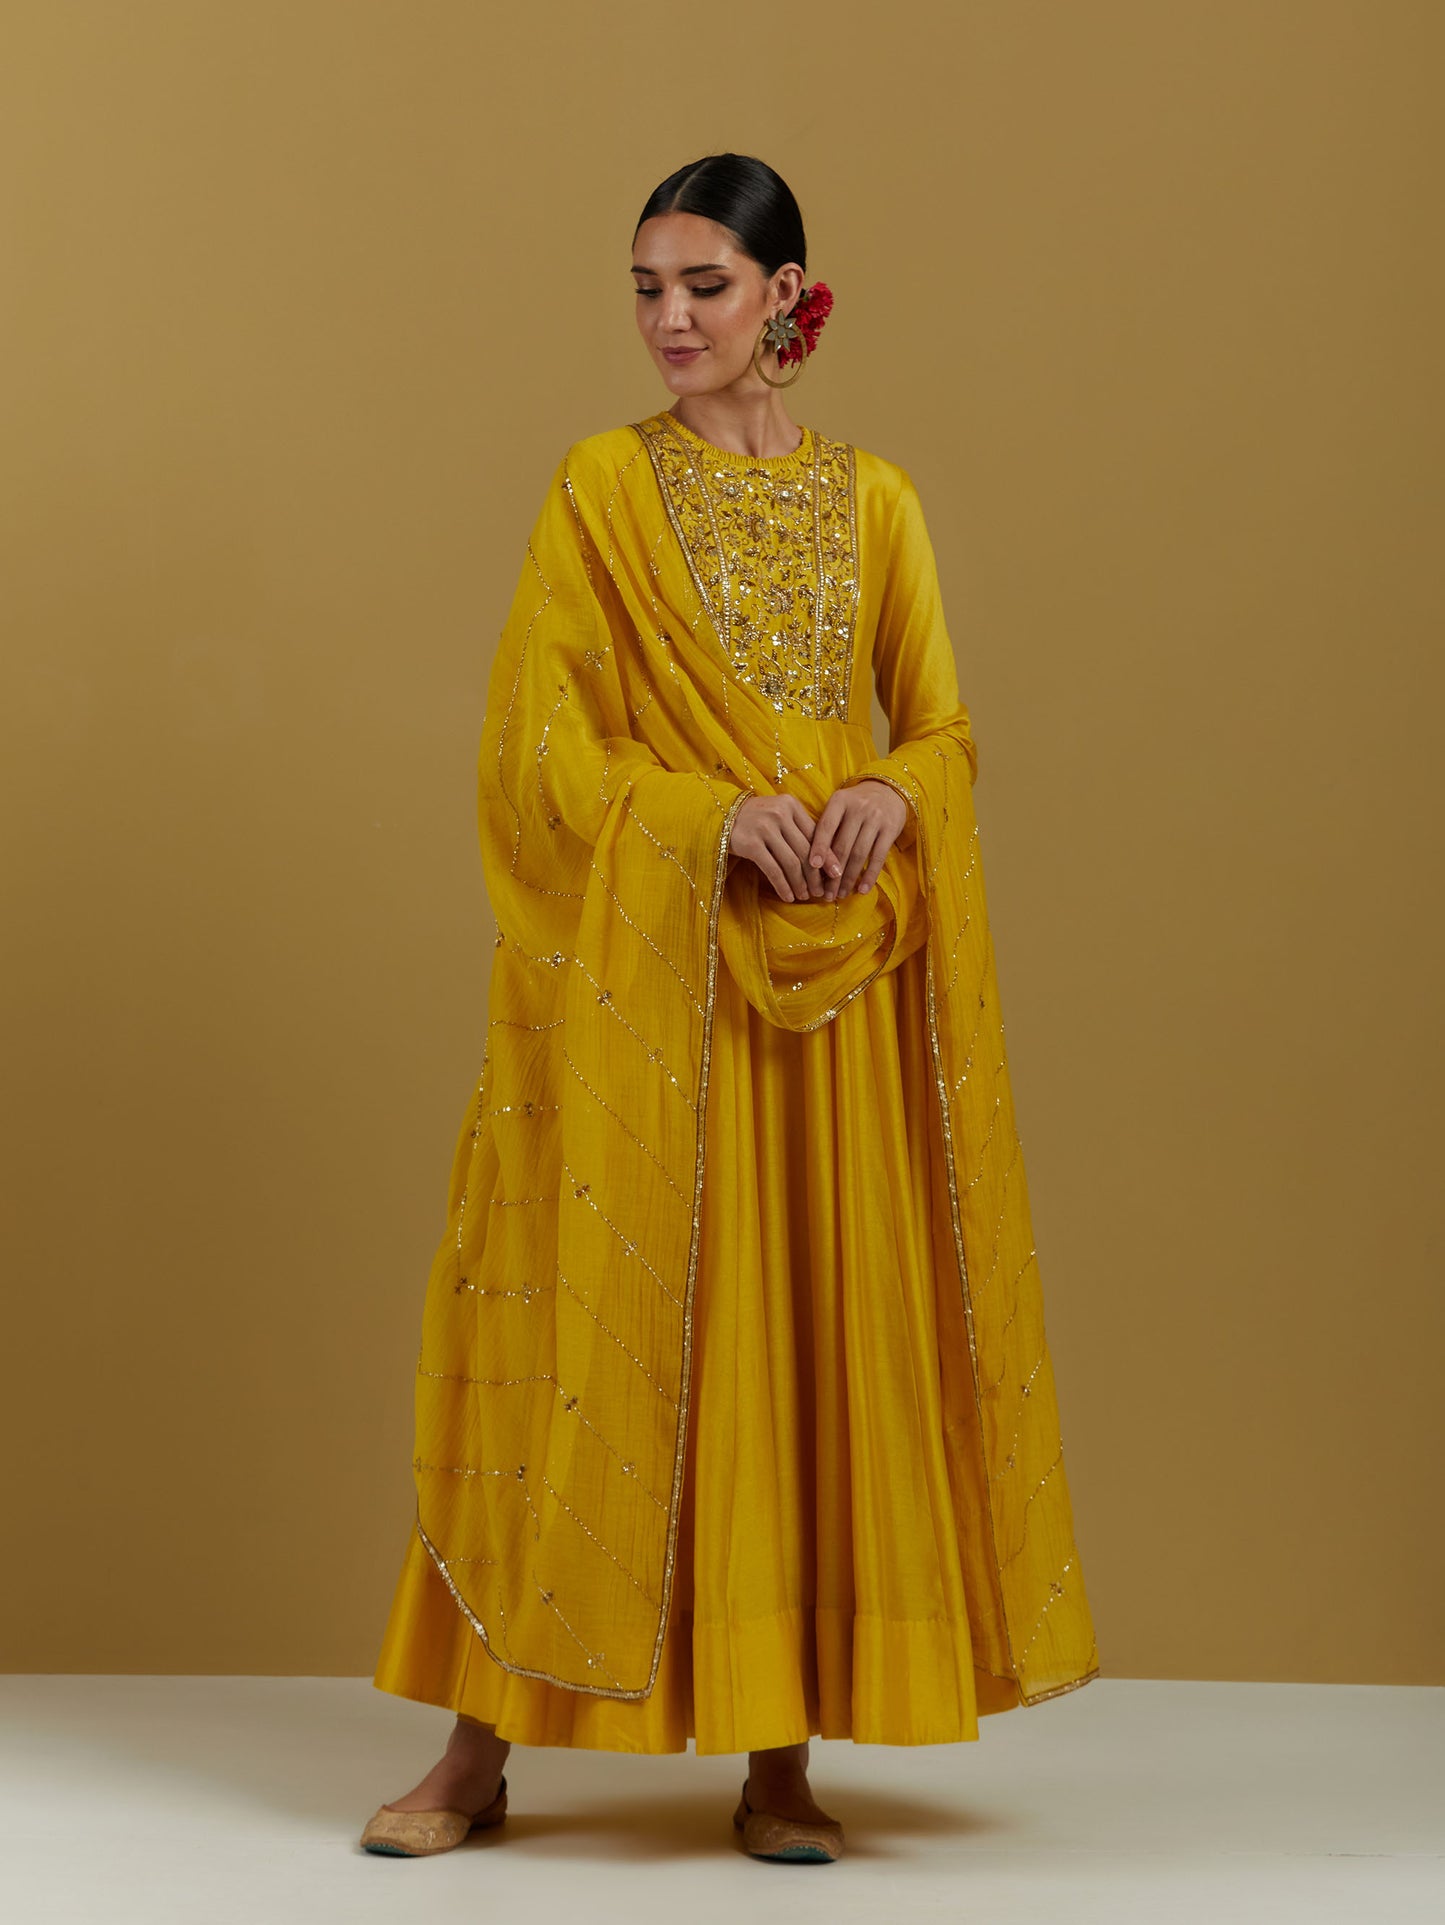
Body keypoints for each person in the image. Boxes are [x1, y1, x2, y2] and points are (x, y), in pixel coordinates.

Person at [360, 152, 1099, 1866]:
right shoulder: (599, 488)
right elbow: (541, 745)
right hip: (660, 980)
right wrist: (705, 819)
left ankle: (779, 1755)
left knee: (804, 1344)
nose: (670, 319)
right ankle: (476, 1748)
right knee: (595, 1338)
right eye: (646, 288)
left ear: (786, 295)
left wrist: (892, 795)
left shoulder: (876, 500)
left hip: (833, 984)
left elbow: (940, 727)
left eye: (703, 285)